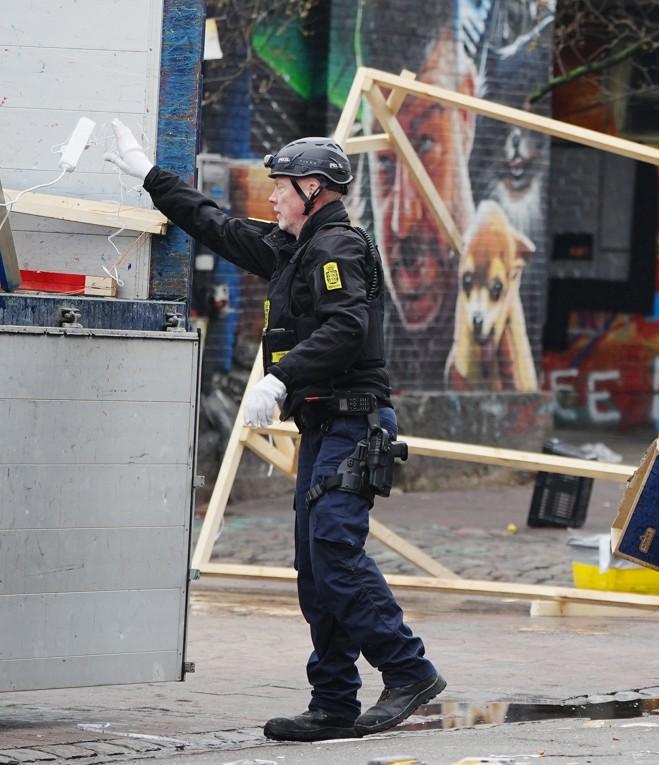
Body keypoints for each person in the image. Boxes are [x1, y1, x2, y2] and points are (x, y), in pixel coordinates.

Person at [106, 123, 445, 742]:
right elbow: (219, 226)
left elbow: (345, 326)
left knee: (335, 552)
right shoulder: (297, 248)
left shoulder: (338, 248)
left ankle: (409, 669)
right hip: (324, 425)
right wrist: (150, 176)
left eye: (281, 188)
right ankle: (335, 703)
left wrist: (279, 379)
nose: (272, 199)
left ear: (312, 188)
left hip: (354, 422)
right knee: (315, 569)